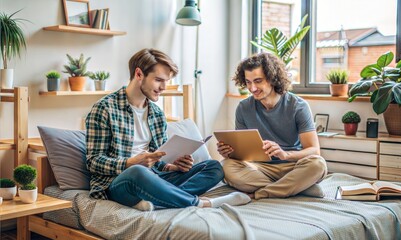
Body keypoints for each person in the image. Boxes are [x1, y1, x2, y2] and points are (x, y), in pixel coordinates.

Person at [86, 48, 250, 210]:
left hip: (155, 178)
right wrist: (129, 163)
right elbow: (93, 162)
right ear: (138, 74)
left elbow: (159, 161)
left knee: (214, 167)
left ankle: (160, 200)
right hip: (121, 182)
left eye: (166, 81)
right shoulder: (104, 108)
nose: (163, 87)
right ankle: (202, 203)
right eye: (158, 80)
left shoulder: (156, 113)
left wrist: (175, 166)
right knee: (138, 172)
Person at [217, 53, 327, 200]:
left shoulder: (298, 106)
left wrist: (285, 154)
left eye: (258, 81)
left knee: (318, 164)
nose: (252, 88)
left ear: (272, 78)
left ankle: (261, 193)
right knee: (226, 166)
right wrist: (229, 152)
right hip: (261, 168)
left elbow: (314, 150)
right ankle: (298, 187)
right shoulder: (243, 108)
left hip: (292, 166)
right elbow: (243, 155)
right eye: (248, 82)